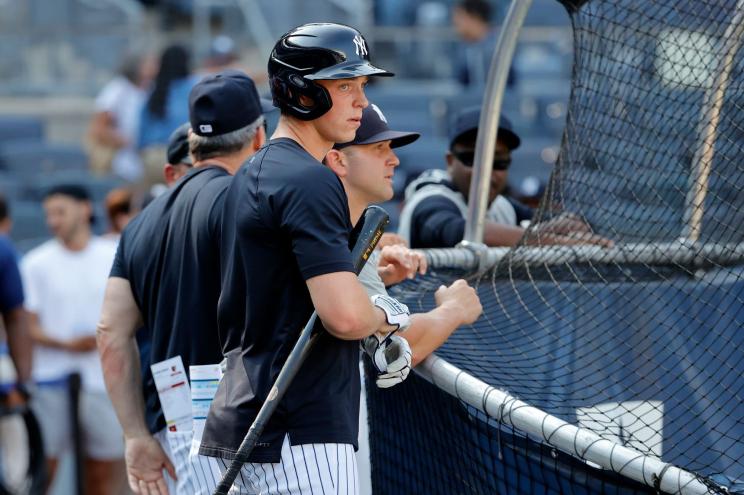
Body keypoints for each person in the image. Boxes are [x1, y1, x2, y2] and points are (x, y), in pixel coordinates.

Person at [199, 23, 412, 494]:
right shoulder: (310, 179)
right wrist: (387, 312)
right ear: (301, 93)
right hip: (300, 433)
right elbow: (342, 316)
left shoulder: (250, 171)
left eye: (361, 86)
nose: (360, 100)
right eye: (344, 86)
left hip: (239, 422)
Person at [97, 69, 267, 495]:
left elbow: (110, 332)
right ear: (259, 137)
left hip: (173, 413)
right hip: (243, 412)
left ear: (194, 141)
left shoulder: (141, 223)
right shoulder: (239, 200)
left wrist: (134, 434)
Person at [324, 103, 483, 494]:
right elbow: (399, 347)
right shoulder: (330, 229)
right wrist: (453, 311)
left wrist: (376, 269)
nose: (394, 159)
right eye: (379, 149)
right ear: (338, 159)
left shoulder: (338, 227)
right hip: (308, 438)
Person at [20, 185, 124, 495]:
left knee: (101, 471)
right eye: (49, 214)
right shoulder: (36, 263)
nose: (53, 221)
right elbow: (28, 325)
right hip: (50, 381)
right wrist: (68, 345)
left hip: (102, 380)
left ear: (84, 210)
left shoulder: (112, 254)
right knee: (43, 469)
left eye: (60, 212)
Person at [398, 106, 607, 248]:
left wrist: (568, 227)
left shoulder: (501, 207)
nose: (486, 172)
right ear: (450, 161)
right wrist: (558, 243)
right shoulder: (430, 197)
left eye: (498, 162)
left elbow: (569, 224)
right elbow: (461, 231)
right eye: (473, 158)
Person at [88, 52, 157, 182]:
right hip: (122, 157)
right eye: (149, 64)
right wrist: (124, 141)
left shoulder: (152, 89)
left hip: (144, 155)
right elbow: (99, 127)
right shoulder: (118, 89)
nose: (154, 67)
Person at [138, 45, 199, 189]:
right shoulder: (195, 87)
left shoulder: (154, 90)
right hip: (183, 159)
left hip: (152, 158)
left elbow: (141, 136)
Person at [451, 0, 514, 87]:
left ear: (474, 17)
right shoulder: (465, 47)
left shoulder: (497, 47)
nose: (455, 23)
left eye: (460, 18)